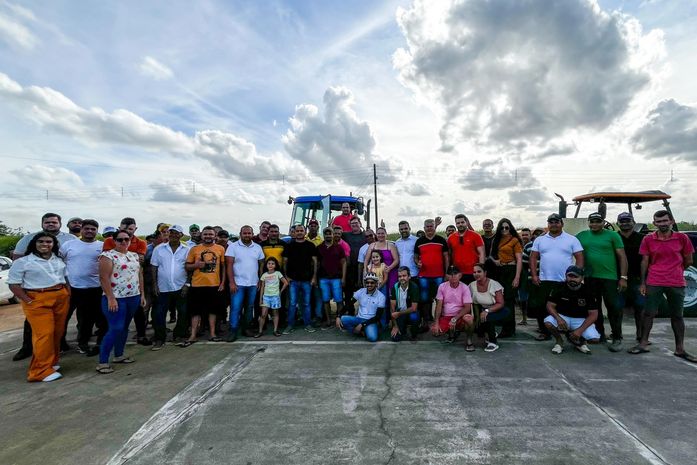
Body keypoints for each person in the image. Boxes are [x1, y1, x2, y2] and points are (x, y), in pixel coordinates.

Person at [630, 210, 697, 362]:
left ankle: (680, 348)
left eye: (665, 221)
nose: (662, 224)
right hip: (654, 280)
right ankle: (643, 343)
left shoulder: (682, 238)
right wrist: (643, 282)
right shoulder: (648, 239)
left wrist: (676, 270)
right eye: (659, 222)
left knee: (677, 315)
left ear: (671, 221)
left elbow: (689, 260)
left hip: (676, 281)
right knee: (649, 313)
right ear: (654, 223)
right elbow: (645, 261)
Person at [12, 212, 77, 361]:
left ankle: (59, 345)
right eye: (47, 222)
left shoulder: (70, 239)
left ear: (60, 224)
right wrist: (26, 297)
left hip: (60, 285)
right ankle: (27, 348)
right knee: (36, 325)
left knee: (60, 322)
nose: (50, 224)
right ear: (42, 223)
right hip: (35, 290)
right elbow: (17, 260)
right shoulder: (28, 239)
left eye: (54, 222)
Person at [7, 232, 71, 382]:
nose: (45, 244)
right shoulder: (23, 262)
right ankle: (39, 371)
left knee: (57, 332)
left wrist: (68, 293)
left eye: (49, 242)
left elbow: (65, 278)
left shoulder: (58, 259)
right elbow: (13, 284)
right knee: (44, 334)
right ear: (34, 244)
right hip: (37, 298)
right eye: (41, 241)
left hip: (60, 296)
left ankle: (51, 363)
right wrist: (28, 300)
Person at [576, 212, 628, 351]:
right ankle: (600, 334)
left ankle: (617, 337)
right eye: (592, 221)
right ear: (588, 222)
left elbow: (622, 257)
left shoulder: (612, 235)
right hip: (590, 277)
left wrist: (623, 277)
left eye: (597, 221)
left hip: (610, 278)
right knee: (594, 307)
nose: (594, 224)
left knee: (613, 307)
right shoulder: (582, 235)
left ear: (603, 222)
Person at [96, 230, 145, 374]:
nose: (123, 242)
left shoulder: (133, 255)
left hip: (133, 296)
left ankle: (119, 354)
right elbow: (104, 278)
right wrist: (111, 298)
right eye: (120, 239)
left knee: (124, 327)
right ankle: (103, 361)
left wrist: (142, 295)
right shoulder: (107, 256)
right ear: (114, 241)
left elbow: (139, 275)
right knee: (115, 327)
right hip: (116, 298)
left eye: (126, 239)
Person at [529, 214, 584, 341]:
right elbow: (533, 257)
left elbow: (580, 258)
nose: (554, 224)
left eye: (556, 222)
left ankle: (568, 332)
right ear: (548, 224)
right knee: (541, 306)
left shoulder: (572, 239)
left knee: (566, 307)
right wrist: (534, 275)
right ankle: (544, 332)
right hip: (544, 279)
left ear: (562, 224)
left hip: (565, 281)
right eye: (551, 222)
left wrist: (577, 276)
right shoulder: (540, 240)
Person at [59, 219, 105, 357]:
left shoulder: (102, 246)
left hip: (94, 288)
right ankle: (60, 343)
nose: (90, 231)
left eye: (93, 229)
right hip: (71, 288)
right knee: (63, 317)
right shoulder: (69, 245)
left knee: (87, 319)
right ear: (82, 230)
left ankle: (83, 343)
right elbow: (58, 262)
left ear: (97, 231)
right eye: (87, 229)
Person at [102, 217, 151, 346]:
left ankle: (141, 335)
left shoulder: (141, 242)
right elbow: (109, 261)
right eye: (123, 229)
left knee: (139, 312)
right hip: (115, 289)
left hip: (133, 286)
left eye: (130, 229)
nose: (124, 239)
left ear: (135, 229)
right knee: (116, 322)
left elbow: (139, 261)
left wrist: (142, 293)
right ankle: (104, 344)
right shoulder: (109, 240)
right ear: (119, 228)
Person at [182, 226, 226, 346]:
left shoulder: (220, 249)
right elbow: (187, 266)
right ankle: (193, 335)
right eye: (205, 234)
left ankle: (212, 334)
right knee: (195, 312)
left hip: (214, 285)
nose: (208, 237)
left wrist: (222, 283)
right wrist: (196, 265)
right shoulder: (194, 249)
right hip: (197, 285)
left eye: (210, 234)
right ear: (202, 236)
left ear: (215, 236)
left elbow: (223, 267)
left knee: (213, 311)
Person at [544, 265, 600, 355]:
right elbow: (550, 305)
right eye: (570, 276)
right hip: (563, 317)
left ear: (582, 278)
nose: (572, 279)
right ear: (566, 276)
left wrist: (580, 331)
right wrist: (559, 319)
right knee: (548, 322)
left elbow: (594, 314)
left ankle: (580, 342)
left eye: (576, 277)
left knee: (595, 339)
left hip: (581, 319)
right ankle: (559, 341)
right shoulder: (559, 287)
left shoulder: (588, 291)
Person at [150, 225, 190, 350]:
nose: (173, 235)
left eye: (176, 233)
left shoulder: (187, 249)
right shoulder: (159, 249)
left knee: (183, 313)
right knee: (159, 314)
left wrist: (187, 284)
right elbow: (154, 267)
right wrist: (155, 285)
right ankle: (159, 339)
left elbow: (190, 268)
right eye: (171, 232)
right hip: (163, 287)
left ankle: (178, 335)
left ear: (181, 235)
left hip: (180, 286)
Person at [226, 225, 265, 341]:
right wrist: (231, 282)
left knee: (249, 307)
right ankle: (233, 330)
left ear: (252, 234)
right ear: (240, 233)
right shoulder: (233, 247)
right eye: (245, 233)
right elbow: (229, 265)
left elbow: (261, 263)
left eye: (249, 233)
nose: (247, 235)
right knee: (235, 308)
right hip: (238, 283)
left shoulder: (257, 247)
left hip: (253, 283)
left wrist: (259, 279)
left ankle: (246, 329)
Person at [489, 218, 523, 338]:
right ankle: (503, 325)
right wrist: (496, 261)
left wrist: (517, 277)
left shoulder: (514, 240)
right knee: (500, 298)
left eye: (507, 227)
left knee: (508, 300)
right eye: (502, 227)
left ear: (510, 228)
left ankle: (509, 329)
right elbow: (490, 255)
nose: (504, 230)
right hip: (500, 271)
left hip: (511, 271)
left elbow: (519, 259)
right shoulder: (496, 240)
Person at [282, 225, 319, 334]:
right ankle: (290, 325)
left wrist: (314, 277)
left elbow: (315, 262)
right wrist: (286, 277)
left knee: (306, 303)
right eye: (297, 231)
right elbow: (285, 262)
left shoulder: (310, 245)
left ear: (305, 232)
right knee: (293, 303)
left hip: (307, 280)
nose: (299, 232)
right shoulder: (289, 246)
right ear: (294, 232)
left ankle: (307, 324)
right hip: (293, 280)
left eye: (301, 231)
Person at [616, 212, 646, 343]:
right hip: (617, 278)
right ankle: (617, 335)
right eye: (622, 221)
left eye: (628, 221)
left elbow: (646, 259)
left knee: (640, 307)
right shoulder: (614, 237)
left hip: (638, 278)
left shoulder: (643, 238)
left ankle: (641, 335)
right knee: (617, 307)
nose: (625, 223)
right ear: (618, 224)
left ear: (633, 222)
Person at [414, 219, 449, 327]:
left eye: (431, 226)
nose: (429, 228)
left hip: (439, 275)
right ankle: (426, 320)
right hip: (424, 275)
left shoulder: (441, 240)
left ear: (435, 227)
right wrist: (417, 263)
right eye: (427, 226)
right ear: (424, 228)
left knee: (440, 298)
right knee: (424, 298)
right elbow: (415, 257)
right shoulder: (419, 241)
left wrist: (447, 273)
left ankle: (440, 319)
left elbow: (446, 258)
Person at [470, 263, 510, 352]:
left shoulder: (494, 284)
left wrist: (487, 310)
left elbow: (500, 303)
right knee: (479, 330)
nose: (476, 274)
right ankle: (490, 332)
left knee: (488, 317)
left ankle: (493, 342)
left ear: (485, 273)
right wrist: (476, 318)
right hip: (484, 311)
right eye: (474, 272)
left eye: (479, 271)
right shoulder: (472, 285)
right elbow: (475, 303)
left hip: (500, 310)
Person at [432, 266, 474, 348]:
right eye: (450, 274)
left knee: (469, 319)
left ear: (460, 275)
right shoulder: (442, 286)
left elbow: (467, 307)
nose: (453, 276)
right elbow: (439, 306)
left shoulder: (465, 287)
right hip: (446, 316)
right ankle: (452, 335)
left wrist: (455, 318)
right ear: (447, 276)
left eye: (455, 274)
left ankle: (469, 341)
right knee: (435, 331)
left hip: (460, 316)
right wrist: (436, 323)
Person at [339, 272, 385, 342]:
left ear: (376, 283)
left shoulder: (381, 296)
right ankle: (361, 332)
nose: (369, 284)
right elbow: (349, 304)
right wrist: (338, 316)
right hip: (359, 319)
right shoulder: (360, 292)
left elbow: (378, 317)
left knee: (372, 338)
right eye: (367, 282)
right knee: (343, 319)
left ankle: (363, 329)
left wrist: (362, 324)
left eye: (372, 283)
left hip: (371, 321)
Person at [317, 227, 346, 328]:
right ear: (323, 235)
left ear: (333, 235)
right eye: (326, 234)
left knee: (339, 300)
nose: (328, 236)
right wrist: (316, 278)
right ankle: (329, 320)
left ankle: (340, 319)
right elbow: (317, 264)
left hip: (336, 278)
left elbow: (344, 263)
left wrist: (343, 278)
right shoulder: (319, 247)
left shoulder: (339, 247)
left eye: (330, 234)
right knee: (325, 300)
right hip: (323, 278)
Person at [447, 214, 485, 284]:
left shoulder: (476, 236)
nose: (460, 224)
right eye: (458, 223)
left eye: (462, 222)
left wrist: (480, 269)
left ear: (466, 223)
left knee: (473, 293)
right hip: (457, 272)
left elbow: (481, 253)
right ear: (456, 224)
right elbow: (448, 255)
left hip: (473, 271)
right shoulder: (451, 238)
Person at [256, 257, 288, 337]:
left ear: (275, 265)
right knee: (263, 314)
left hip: (275, 297)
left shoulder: (278, 273)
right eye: (269, 263)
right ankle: (260, 331)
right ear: (266, 265)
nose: (270, 265)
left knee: (275, 313)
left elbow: (285, 283)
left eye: (272, 264)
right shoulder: (264, 275)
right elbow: (262, 287)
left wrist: (280, 292)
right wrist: (261, 299)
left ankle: (275, 330)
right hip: (266, 297)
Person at [389, 267, 420, 342]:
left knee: (414, 317)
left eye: (404, 276)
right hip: (399, 313)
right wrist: (395, 325)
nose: (402, 278)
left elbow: (414, 308)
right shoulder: (395, 287)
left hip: (409, 312)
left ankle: (413, 331)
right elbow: (392, 308)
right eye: (400, 276)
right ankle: (404, 328)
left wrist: (399, 313)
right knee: (395, 338)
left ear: (409, 276)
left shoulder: (414, 287)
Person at [342, 217, 367, 309]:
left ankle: (363, 310)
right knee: (348, 291)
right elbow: (334, 236)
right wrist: (330, 225)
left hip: (362, 267)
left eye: (356, 223)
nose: (354, 225)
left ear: (360, 223)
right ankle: (350, 309)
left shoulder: (365, 235)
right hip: (349, 267)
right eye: (352, 224)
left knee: (363, 289)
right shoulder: (345, 235)